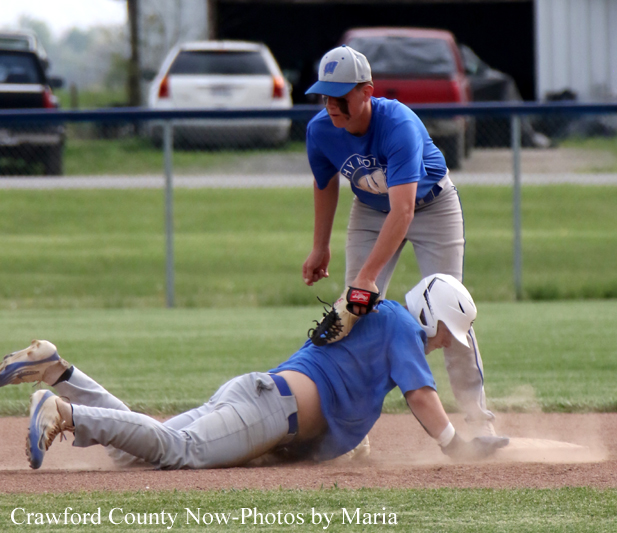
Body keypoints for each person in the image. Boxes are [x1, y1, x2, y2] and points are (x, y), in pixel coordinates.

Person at [1, 274, 508, 470]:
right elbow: (421, 397)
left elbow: (346, 400)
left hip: (263, 400)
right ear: (431, 316)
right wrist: (454, 444)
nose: (445, 343)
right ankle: (65, 412)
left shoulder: (386, 328)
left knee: (137, 452)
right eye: (446, 332)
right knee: (182, 452)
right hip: (271, 407)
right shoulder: (401, 324)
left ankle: (59, 372)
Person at [301, 45, 495, 437]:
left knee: (447, 312)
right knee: (352, 316)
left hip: (433, 206)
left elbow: (403, 211)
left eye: (340, 96)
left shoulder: (398, 124)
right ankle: (352, 434)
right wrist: (320, 246)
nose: (331, 106)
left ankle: (478, 423)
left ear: (366, 92)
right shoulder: (320, 130)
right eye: (325, 96)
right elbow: (325, 186)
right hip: (371, 212)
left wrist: (367, 277)